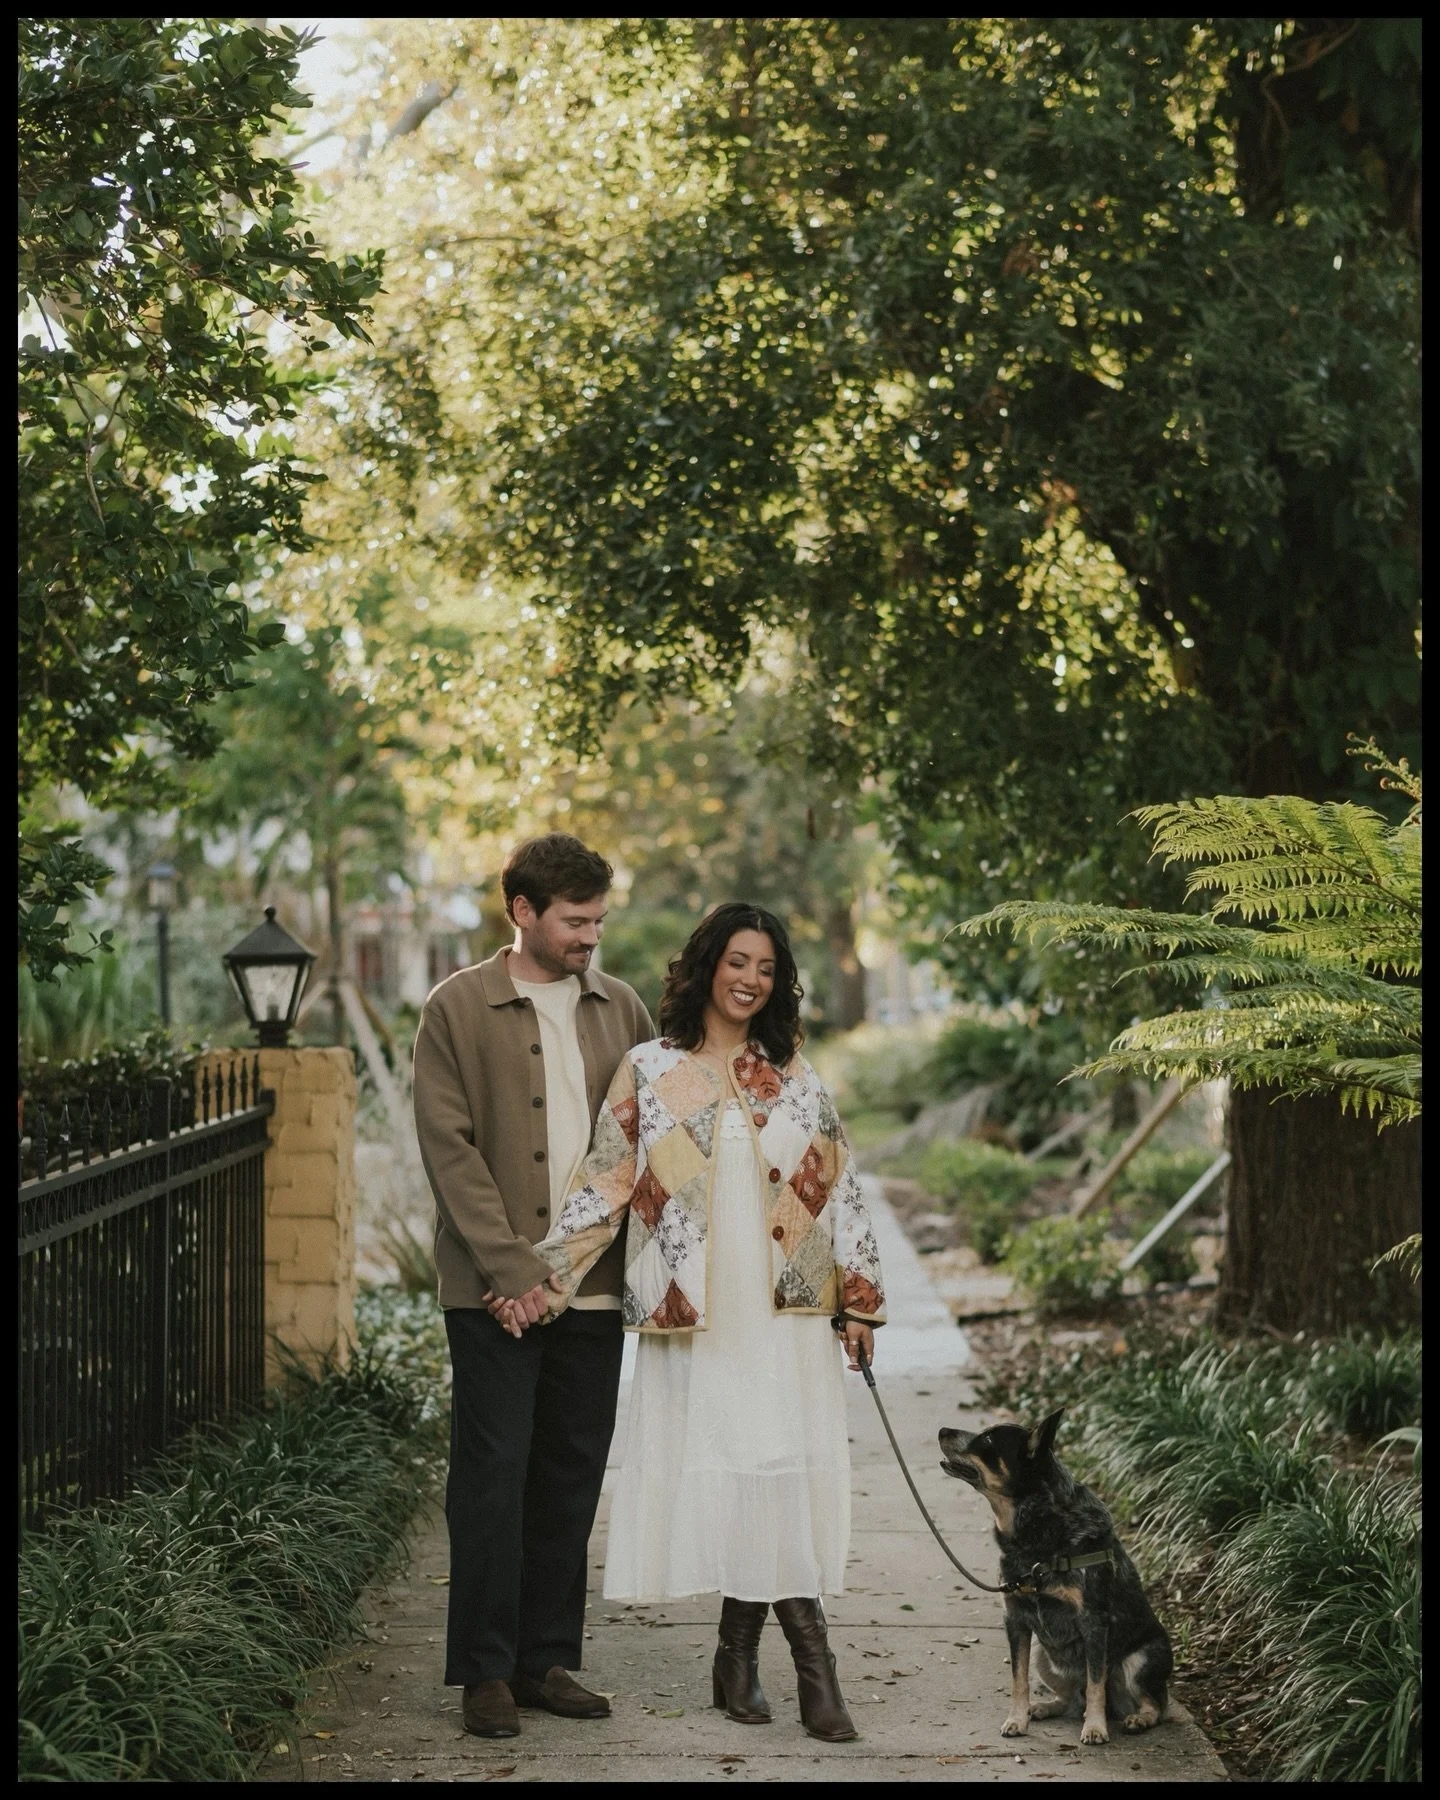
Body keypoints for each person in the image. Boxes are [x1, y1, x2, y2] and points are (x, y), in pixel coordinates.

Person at [499, 901, 886, 1743]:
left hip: (787, 1308)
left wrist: (859, 1301)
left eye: (767, 969)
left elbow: (840, 1189)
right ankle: (790, 1666)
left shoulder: (793, 1074)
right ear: (707, 965)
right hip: (699, 1313)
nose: (751, 980)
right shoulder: (651, 1069)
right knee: (746, 1467)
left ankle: (762, 1659)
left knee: (775, 1469)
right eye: (738, 962)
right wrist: (539, 1278)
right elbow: (605, 1185)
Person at [412, 833, 653, 1741]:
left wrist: (571, 1274)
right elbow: (450, 1151)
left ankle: (545, 1660)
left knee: (569, 1475)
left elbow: (644, 1143)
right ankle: (484, 1669)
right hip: (492, 1297)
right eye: (575, 921)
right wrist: (515, 1273)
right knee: (491, 1477)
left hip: (593, 1291)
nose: (591, 936)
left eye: (598, 920)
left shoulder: (622, 1008)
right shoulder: (456, 1008)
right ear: (522, 911)